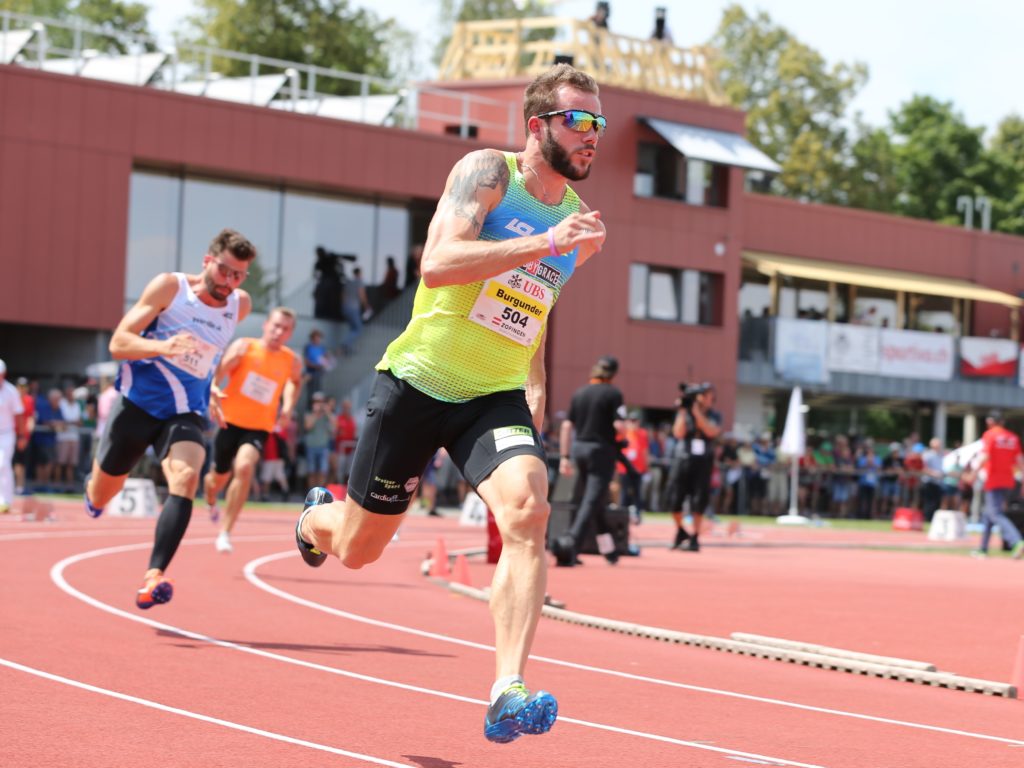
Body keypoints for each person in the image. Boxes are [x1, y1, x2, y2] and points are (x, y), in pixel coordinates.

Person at [293, 63, 607, 744]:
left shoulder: (578, 225)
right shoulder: (489, 174)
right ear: (538, 127)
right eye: (579, 121)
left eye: (598, 124)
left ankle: (506, 689)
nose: (592, 136)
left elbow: (534, 308)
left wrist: (535, 391)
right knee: (357, 549)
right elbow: (438, 262)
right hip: (416, 384)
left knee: (529, 508)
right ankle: (318, 519)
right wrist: (549, 243)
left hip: (490, 395)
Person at [83, 228, 254, 608]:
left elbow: (207, 354)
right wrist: (163, 346)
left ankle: (153, 575)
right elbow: (118, 343)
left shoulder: (239, 305)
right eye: (225, 271)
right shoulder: (170, 289)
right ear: (208, 261)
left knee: (187, 476)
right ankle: (93, 492)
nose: (230, 282)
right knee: (102, 494)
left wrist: (208, 388)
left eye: (239, 275)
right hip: (137, 407)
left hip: (185, 411)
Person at [203, 306, 302, 553]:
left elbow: (295, 382)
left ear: (290, 334)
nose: (279, 332)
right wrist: (214, 391)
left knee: (245, 467)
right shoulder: (244, 346)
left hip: (258, 427)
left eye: (285, 329)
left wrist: (288, 407)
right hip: (229, 421)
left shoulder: (291, 359)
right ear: (265, 325)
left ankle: (225, 531)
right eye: (276, 326)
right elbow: (217, 374)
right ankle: (211, 498)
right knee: (217, 478)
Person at [555, 355, 626, 565]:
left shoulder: (580, 393)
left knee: (596, 500)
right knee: (591, 500)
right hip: (601, 451)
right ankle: (570, 544)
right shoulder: (614, 394)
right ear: (613, 374)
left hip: (579, 449)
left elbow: (567, 426)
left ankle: (609, 550)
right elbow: (620, 427)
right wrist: (622, 437)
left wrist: (564, 456)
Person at [667, 382, 722, 551]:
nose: (706, 398)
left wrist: (697, 412)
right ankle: (680, 530)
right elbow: (678, 433)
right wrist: (684, 411)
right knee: (674, 498)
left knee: (699, 499)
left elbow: (711, 431)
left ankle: (695, 536)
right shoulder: (685, 412)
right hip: (682, 458)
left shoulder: (714, 415)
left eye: (708, 396)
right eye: (703, 395)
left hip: (703, 461)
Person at [973, 411, 1024, 559]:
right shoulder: (1013, 438)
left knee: (995, 513)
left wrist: (973, 472)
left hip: (993, 481)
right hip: (1009, 481)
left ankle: (1017, 541)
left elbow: (985, 455)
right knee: (988, 514)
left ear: (990, 422)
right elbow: (1020, 460)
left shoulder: (990, 435)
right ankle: (983, 548)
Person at [0, 360, 26, 513]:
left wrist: (21, 436)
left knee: (3, 464)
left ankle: (5, 500)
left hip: (6, 434)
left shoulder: (11, 391)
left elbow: (19, 415)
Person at [12, 376, 35, 497]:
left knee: (21, 462)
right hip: (11, 434)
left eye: (24, 386)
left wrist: (27, 433)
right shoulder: (12, 398)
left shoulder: (29, 400)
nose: (22, 389)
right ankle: (12, 486)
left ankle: (19, 487)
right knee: (9, 462)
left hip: (23, 435)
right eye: (20, 386)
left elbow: (30, 417)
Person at [341, 266, 371, 354]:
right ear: (360, 273)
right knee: (358, 329)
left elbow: (343, 295)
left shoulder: (349, 282)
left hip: (345, 307)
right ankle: (346, 343)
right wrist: (367, 306)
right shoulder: (359, 282)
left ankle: (348, 347)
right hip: (353, 308)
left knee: (352, 328)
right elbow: (362, 295)